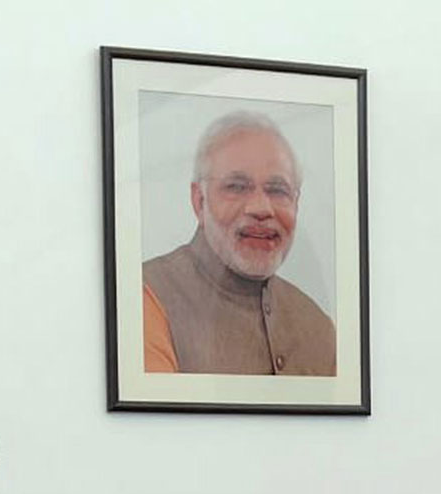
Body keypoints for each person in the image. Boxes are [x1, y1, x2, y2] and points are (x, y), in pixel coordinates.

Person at [142, 110, 336, 376]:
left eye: (277, 190)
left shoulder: (318, 327)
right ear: (199, 202)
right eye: (237, 187)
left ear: (296, 204)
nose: (261, 208)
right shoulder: (146, 297)